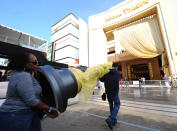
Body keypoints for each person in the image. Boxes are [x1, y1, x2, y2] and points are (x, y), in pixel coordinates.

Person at [0, 53, 60, 131]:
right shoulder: (23, 76)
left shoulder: (22, 75)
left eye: (37, 62)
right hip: (17, 115)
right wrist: (50, 108)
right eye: (34, 62)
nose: (37, 64)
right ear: (26, 64)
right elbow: (31, 100)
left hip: (28, 113)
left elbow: (33, 90)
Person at [100, 62, 121, 130]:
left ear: (112, 66)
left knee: (111, 105)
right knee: (117, 105)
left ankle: (113, 121)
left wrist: (102, 73)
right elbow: (117, 79)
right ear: (117, 67)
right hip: (115, 92)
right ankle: (111, 118)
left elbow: (101, 79)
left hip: (108, 92)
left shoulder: (106, 73)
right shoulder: (118, 73)